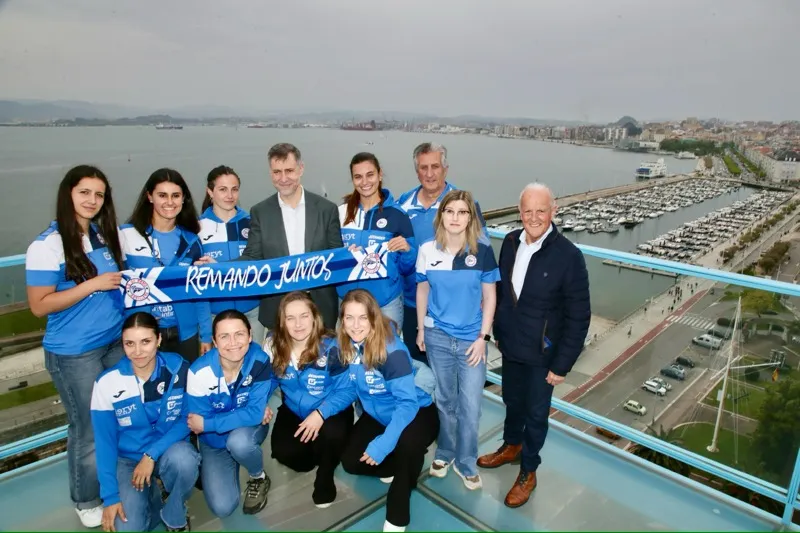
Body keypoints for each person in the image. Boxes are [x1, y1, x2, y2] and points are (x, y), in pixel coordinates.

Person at [477, 183, 590, 508]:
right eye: (528, 211)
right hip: (511, 345)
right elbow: (500, 292)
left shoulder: (569, 256)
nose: (534, 217)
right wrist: (498, 329)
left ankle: (529, 470)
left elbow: (579, 315)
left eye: (541, 210)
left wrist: (562, 364)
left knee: (536, 414)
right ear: (520, 211)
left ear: (553, 211)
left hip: (544, 355)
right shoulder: (511, 242)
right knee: (512, 401)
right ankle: (510, 446)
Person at [25, 164, 126, 527]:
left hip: (113, 343)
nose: (92, 200)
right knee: (88, 428)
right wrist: (91, 285)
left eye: (99, 194)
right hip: (74, 353)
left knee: (117, 417)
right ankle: (86, 499)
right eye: (85, 192)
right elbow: (38, 305)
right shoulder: (48, 245)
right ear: (68, 193)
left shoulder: (100, 235)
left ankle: (115, 482)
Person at [415, 189, 499, 490]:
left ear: (470, 218)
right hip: (437, 338)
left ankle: (467, 461)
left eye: (462, 212)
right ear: (442, 216)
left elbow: (490, 296)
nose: (456, 217)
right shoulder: (427, 250)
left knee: (471, 405)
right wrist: (421, 329)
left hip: (471, 342)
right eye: (450, 211)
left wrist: (483, 338)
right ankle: (447, 452)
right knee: (445, 400)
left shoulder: (483, 251)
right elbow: (423, 290)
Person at [338, 289, 439, 533]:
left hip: (416, 412)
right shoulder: (346, 347)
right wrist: (320, 413)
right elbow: (348, 389)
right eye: (349, 318)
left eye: (362, 317)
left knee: (407, 446)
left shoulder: (392, 351)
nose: (355, 325)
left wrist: (383, 444)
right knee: (351, 462)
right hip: (378, 413)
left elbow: (407, 405)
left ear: (374, 318)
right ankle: (401, 462)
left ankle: (398, 514)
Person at [91, 312, 199, 532]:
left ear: (159, 340)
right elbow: (104, 442)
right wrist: (110, 496)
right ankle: (152, 493)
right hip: (128, 460)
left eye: (146, 342)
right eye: (129, 343)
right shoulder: (107, 383)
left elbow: (185, 419)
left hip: (168, 450)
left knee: (186, 460)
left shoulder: (178, 368)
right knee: (130, 528)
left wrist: (151, 455)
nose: (138, 352)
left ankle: (174, 510)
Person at [396, 142, 487, 363]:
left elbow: (482, 253)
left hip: (454, 310)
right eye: (423, 168)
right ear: (416, 171)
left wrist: (484, 296)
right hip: (411, 304)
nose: (429, 174)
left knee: (450, 378)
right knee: (417, 372)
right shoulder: (402, 204)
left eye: (435, 167)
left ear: (445, 168)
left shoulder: (464, 204)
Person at [265, 291, 355, 509]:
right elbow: (267, 380)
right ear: (282, 321)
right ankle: (321, 452)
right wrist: (262, 402)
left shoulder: (333, 347)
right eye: (290, 318)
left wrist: (321, 413)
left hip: (331, 408)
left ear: (315, 317)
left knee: (332, 435)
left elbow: (349, 390)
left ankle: (325, 475)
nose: (298, 324)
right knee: (283, 453)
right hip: (294, 410)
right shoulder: (272, 345)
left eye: (304, 316)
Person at [238, 143, 343, 330]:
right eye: (277, 172)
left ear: (301, 169)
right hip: (277, 311)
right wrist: (218, 267)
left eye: (289, 170)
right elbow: (252, 256)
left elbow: (337, 257)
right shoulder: (260, 212)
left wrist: (354, 255)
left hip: (320, 310)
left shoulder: (327, 210)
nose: (283, 178)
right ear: (270, 173)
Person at [186, 310, 276, 517]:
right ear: (215, 341)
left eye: (239, 334)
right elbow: (198, 424)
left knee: (239, 443)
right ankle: (229, 460)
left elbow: (205, 423)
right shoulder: (199, 372)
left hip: (242, 432)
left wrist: (208, 424)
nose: (233, 342)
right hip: (215, 441)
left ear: (250, 335)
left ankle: (258, 476)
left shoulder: (260, 360)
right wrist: (249, 413)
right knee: (223, 508)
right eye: (224, 336)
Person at [120, 168, 212, 362]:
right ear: (149, 197)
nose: (169, 202)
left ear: (183, 199)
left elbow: (201, 292)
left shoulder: (192, 241)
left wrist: (205, 335)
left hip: (185, 334)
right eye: (162, 195)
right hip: (143, 336)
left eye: (176, 195)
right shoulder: (127, 235)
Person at [337, 152, 416, 328]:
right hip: (348, 304)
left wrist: (407, 251)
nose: (364, 182)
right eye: (358, 177)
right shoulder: (340, 213)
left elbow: (407, 266)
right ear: (353, 179)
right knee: (348, 355)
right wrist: (343, 254)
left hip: (385, 304)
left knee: (388, 355)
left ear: (380, 175)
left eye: (370, 175)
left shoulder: (398, 215)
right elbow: (331, 257)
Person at [199, 165, 265, 344]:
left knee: (256, 365)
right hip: (216, 315)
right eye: (222, 189)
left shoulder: (252, 223)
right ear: (210, 192)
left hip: (252, 311)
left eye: (234, 189)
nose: (230, 195)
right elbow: (195, 281)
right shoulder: (197, 228)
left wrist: (219, 267)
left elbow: (261, 263)